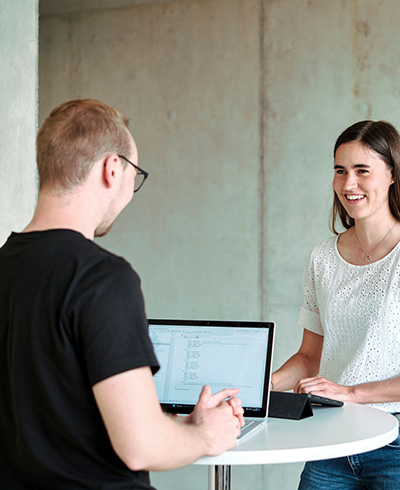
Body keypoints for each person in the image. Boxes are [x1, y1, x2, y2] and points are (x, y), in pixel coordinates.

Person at [0, 99, 244, 489]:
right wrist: (206, 435)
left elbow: (58, 418)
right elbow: (139, 446)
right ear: (113, 169)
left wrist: (177, 427)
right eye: (135, 173)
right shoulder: (101, 278)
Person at [271, 120, 400, 489]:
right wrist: (258, 387)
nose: (348, 184)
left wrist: (352, 392)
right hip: (331, 441)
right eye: (340, 171)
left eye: (363, 171)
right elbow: (309, 358)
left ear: (393, 175)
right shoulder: (322, 258)